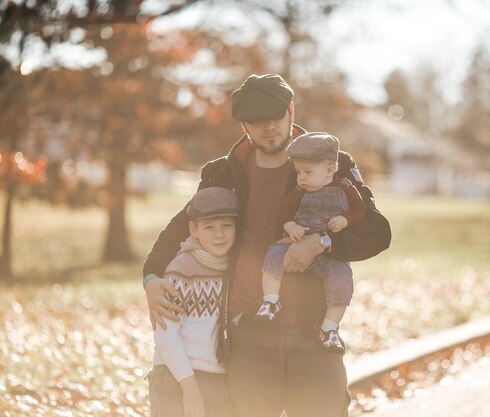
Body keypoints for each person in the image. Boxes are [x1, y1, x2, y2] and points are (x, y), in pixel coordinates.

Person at [143, 73, 392, 417]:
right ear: (244, 125)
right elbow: (181, 225)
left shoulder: (330, 164)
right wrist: (152, 276)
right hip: (249, 338)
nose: (269, 128)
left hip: (312, 335)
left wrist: (322, 243)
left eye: (275, 117)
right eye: (256, 122)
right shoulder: (223, 173)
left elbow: (377, 232)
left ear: (291, 110)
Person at [256, 132, 366, 355]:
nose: (302, 178)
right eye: (298, 172)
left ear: (330, 169)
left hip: (330, 252)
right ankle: (270, 300)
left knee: (342, 275)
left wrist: (346, 220)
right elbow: (284, 211)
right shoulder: (299, 192)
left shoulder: (346, 187)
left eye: (308, 172)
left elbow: (361, 211)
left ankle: (330, 327)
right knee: (274, 253)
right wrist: (290, 227)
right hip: (298, 240)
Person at [148, 187, 239, 417]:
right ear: (193, 229)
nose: (219, 234)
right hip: (177, 376)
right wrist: (189, 389)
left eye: (226, 226)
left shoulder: (235, 270)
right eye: (209, 227)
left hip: (220, 380)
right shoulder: (181, 270)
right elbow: (166, 336)